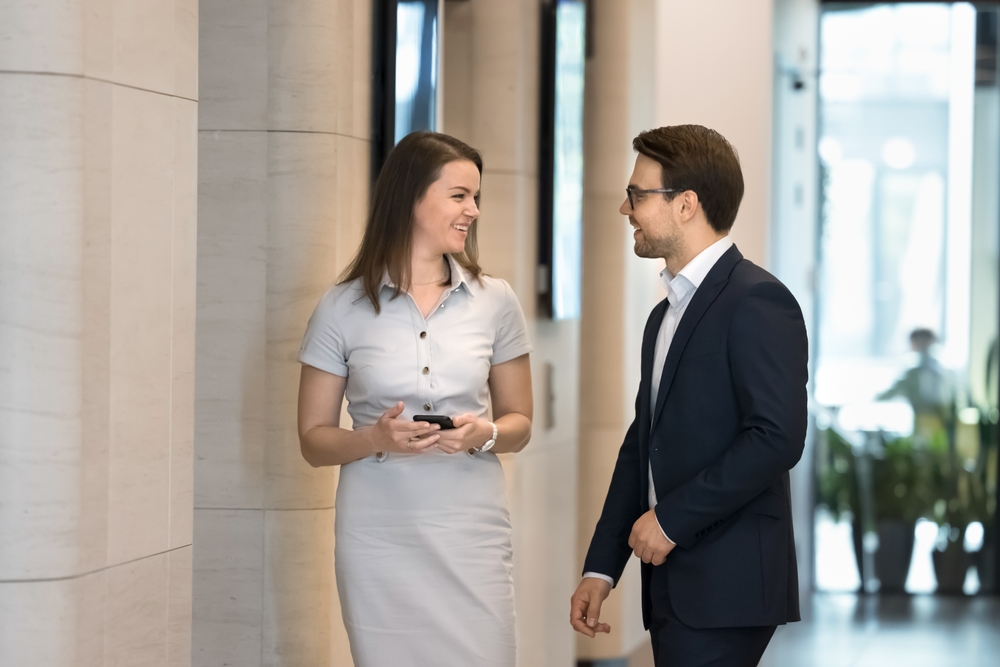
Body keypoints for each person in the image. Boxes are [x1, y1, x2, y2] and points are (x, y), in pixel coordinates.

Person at [570, 125, 808, 666]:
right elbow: (643, 443)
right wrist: (601, 568)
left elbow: (776, 437)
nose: (625, 208)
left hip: (729, 584)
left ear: (686, 204)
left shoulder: (758, 299)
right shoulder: (664, 315)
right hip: (677, 584)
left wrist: (672, 520)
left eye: (637, 194)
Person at [297, 131, 533, 667]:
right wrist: (373, 438)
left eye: (476, 197)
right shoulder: (340, 307)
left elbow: (520, 421)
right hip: (378, 535)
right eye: (458, 196)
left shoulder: (496, 301)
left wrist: (485, 433)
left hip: (470, 529)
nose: (473, 210)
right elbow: (313, 441)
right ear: (410, 197)